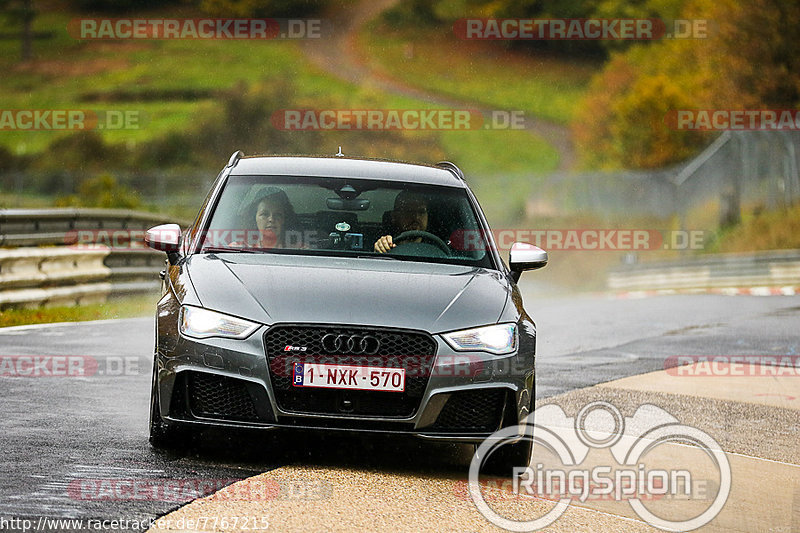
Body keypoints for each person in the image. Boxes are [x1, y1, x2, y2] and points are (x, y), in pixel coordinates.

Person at [233, 187, 298, 248]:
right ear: (254, 218)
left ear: (284, 219)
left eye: (277, 214)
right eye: (265, 214)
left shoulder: (299, 251)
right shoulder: (237, 249)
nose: (271, 219)